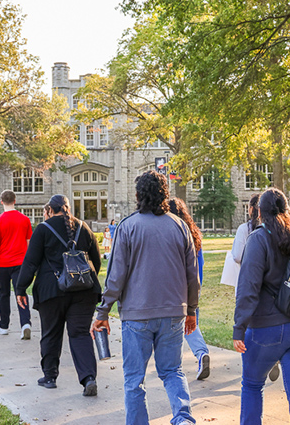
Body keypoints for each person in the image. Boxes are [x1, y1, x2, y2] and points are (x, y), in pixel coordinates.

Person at [91, 170, 199, 425]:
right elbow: (192, 275)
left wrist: (103, 312)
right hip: (174, 312)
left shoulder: (128, 226)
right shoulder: (180, 226)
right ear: (165, 195)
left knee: (134, 379)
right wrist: (192, 309)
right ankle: (183, 418)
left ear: (138, 195)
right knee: (173, 370)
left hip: (137, 315)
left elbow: (116, 276)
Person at [233, 187, 290, 425]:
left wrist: (239, 327)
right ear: (286, 209)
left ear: (259, 212)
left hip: (269, 327)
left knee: (252, 384)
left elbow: (248, 287)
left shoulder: (259, 238)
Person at [16, 194, 102, 397]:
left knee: (51, 333)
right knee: (80, 334)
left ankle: (49, 377)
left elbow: (30, 263)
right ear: (68, 208)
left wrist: (21, 289)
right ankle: (89, 378)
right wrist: (84, 280)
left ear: (48, 211)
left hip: (52, 291)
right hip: (84, 292)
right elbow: (96, 261)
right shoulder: (84, 227)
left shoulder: (43, 229)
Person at [224, 194, 280, 383]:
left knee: (248, 325)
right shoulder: (277, 230)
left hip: (248, 281)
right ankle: (272, 357)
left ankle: (253, 368)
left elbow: (238, 255)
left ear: (251, 209)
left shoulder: (245, 229)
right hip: (272, 286)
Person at [168, 197, 211, 380]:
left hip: (177, 287)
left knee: (178, 328)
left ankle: (198, 355)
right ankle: (201, 354)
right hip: (195, 285)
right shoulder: (194, 233)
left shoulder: (173, 233)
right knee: (192, 324)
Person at [0, 189, 33, 339]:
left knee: (4, 294)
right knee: (21, 292)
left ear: (2, 201)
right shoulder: (25, 219)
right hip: (21, 263)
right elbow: (29, 243)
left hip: (3, 264)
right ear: (15, 200)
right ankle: (25, 323)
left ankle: (4, 326)